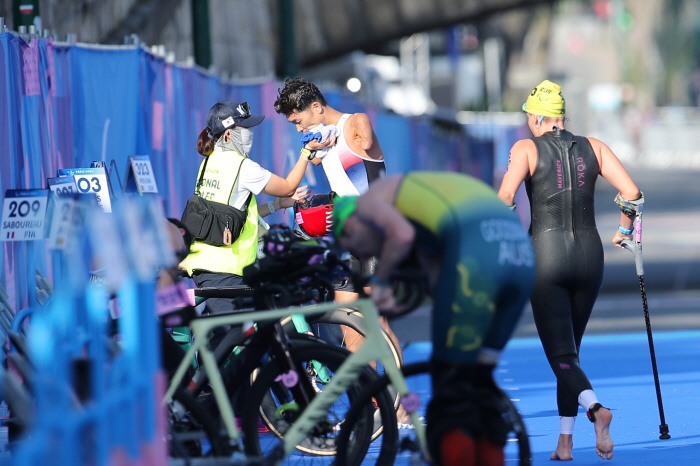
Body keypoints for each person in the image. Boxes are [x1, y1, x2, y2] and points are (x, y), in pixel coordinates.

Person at [332, 172, 535, 466]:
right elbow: (434, 281)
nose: (362, 254)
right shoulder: (421, 214)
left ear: (350, 226)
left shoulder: (368, 203)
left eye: (354, 248)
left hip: (479, 259)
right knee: (479, 383)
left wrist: (380, 281)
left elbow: (400, 236)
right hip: (520, 259)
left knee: (449, 391)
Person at [497, 80, 642, 461]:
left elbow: (505, 198)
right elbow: (632, 193)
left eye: (529, 116)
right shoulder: (594, 147)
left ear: (536, 116)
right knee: (571, 353)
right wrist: (626, 229)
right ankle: (565, 442)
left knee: (560, 355)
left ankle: (596, 410)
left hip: (545, 256)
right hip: (590, 258)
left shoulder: (525, 148)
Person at [180, 100, 310, 314]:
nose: (251, 133)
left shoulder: (208, 162)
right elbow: (288, 186)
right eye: (245, 128)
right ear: (229, 135)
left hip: (205, 263)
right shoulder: (243, 167)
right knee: (238, 336)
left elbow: (232, 214)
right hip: (224, 268)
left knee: (227, 336)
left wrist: (278, 204)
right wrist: (307, 152)